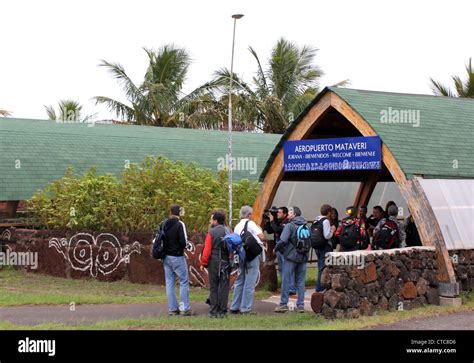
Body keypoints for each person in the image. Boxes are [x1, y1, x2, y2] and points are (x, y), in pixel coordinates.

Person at [229, 206, 264, 315]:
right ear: (249, 214)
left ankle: (234, 306)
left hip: (241, 255)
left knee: (239, 281)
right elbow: (261, 236)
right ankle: (246, 308)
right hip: (252, 255)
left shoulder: (237, 226)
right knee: (250, 282)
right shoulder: (251, 223)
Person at [274, 206, 309, 313]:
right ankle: (301, 305)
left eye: (289, 213)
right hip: (303, 256)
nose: (288, 214)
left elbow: (283, 240)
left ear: (294, 214)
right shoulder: (306, 226)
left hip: (290, 257)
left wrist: (276, 248)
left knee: (286, 279)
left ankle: (283, 304)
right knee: (300, 281)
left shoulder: (289, 225)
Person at [162, 204, 192, 316]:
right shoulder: (180, 224)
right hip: (177, 256)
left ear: (170, 212)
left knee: (169, 282)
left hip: (166, 257)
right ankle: (184, 308)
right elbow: (184, 241)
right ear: (179, 212)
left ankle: (172, 309)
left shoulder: (164, 223)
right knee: (183, 281)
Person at [200, 211, 231, 318]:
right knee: (224, 287)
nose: (210, 221)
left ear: (216, 221)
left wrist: (203, 263)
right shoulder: (228, 230)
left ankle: (213, 311)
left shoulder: (211, 232)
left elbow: (207, 250)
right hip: (226, 262)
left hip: (214, 261)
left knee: (214, 287)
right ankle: (223, 311)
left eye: (211, 219)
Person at [266, 207, 296, 295]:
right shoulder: (279, 221)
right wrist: (270, 221)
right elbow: (269, 230)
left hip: (285, 248)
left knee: (288, 268)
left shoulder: (287, 223)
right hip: (279, 248)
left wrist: (272, 221)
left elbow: (277, 229)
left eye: (279, 212)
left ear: (285, 214)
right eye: (277, 212)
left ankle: (291, 288)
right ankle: (285, 286)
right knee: (282, 268)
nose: (277, 214)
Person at [313, 204, 336, 292]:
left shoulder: (316, 219)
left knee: (320, 267)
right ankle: (319, 288)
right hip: (324, 247)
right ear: (329, 212)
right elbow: (327, 236)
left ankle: (320, 286)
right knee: (322, 268)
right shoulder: (325, 221)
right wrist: (332, 230)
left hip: (317, 246)